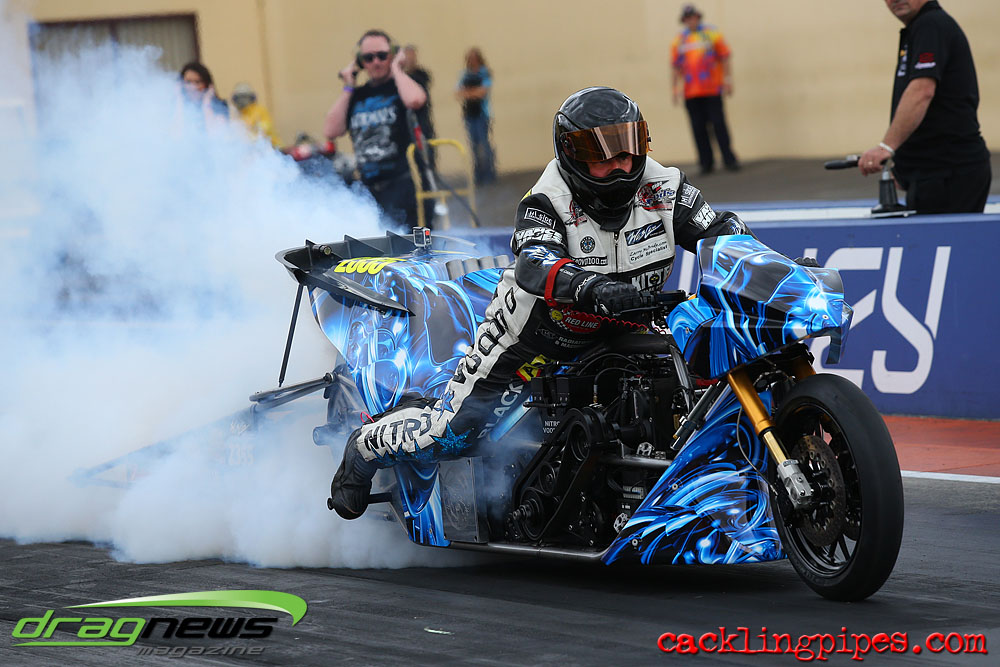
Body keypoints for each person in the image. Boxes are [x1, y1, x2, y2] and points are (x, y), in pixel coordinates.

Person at [329, 86, 750, 520]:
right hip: (532, 342)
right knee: (453, 435)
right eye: (602, 154)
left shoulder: (666, 189)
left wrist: (757, 260)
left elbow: (721, 233)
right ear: (571, 156)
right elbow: (534, 264)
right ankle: (364, 448)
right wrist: (594, 288)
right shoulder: (547, 199)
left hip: (624, 330)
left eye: (627, 148)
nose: (620, 165)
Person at [857, 0, 990, 214]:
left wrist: (886, 147)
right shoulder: (919, 29)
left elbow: (922, 91)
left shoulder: (931, 25)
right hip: (936, 171)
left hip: (948, 171)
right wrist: (905, 166)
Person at [324, 29, 428, 231]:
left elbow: (416, 100)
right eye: (368, 58)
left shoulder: (402, 86)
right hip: (367, 191)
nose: (376, 62)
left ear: (392, 55)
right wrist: (348, 86)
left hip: (399, 186)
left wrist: (397, 69)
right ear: (361, 61)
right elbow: (330, 130)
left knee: (404, 246)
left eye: (382, 56)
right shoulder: (356, 95)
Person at [670, 4, 739, 175]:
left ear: (698, 17)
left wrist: (728, 80)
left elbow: (724, 57)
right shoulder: (680, 40)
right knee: (698, 128)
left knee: (719, 124)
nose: (690, 20)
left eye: (693, 17)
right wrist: (675, 88)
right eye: (687, 18)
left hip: (712, 89)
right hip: (691, 92)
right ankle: (706, 162)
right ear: (684, 20)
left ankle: (729, 159)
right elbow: (676, 66)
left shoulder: (711, 34)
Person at [456, 47, 497, 185]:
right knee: (474, 146)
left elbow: (483, 92)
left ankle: (490, 174)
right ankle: (478, 176)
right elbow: (458, 92)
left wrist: (468, 92)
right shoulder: (465, 74)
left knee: (484, 145)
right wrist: (473, 93)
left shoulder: (484, 73)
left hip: (482, 114)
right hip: (469, 114)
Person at [178, 62, 229, 130]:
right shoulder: (176, 105)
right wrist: (179, 99)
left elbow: (216, 133)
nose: (193, 87)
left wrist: (206, 102)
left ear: (207, 84)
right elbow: (176, 133)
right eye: (188, 82)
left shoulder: (220, 106)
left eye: (197, 82)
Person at [231, 82, 281, 148]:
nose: (241, 101)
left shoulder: (260, 110)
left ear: (251, 97)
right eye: (239, 98)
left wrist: (252, 134)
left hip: (272, 147)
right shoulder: (238, 114)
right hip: (252, 149)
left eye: (244, 97)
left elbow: (266, 127)